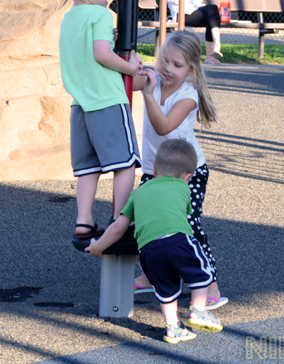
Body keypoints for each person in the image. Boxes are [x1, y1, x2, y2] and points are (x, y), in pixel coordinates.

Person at [86, 139, 223, 344]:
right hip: (178, 239)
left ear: (155, 170)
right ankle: (199, 310)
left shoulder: (138, 192)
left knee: (164, 287)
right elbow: (184, 219)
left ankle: (174, 328)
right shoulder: (183, 188)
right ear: (188, 177)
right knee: (201, 272)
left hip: (148, 250)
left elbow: (118, 227)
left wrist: (98, 247)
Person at [132, 30, 227, 310]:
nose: (168, 69)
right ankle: (152, 275)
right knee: (145, 222)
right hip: (154, 170)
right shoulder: (154, 80)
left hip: (188, 173)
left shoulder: (188, 96)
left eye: (177, 65)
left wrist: (148, 95)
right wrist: (125, 56)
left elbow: (163, 126)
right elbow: (125, 78)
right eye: (165, 61)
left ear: (191, 69)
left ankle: (210, 284)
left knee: (187, 224)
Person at [58, 0, 143, 239]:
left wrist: (107, 38)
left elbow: (88, 48)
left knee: (87, 167)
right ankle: (121, 220)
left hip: (80, 105)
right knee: (126, 162)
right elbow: (102, 55)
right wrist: (131, 68)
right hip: (107, 100)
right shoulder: (102, 14)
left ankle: (84, 220)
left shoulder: (69, 18)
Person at [167, 0, 222, 65]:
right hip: (180, 13)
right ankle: (210, 54)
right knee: (211, 18)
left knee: (213, 9)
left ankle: (216, 45)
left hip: (195, 9)